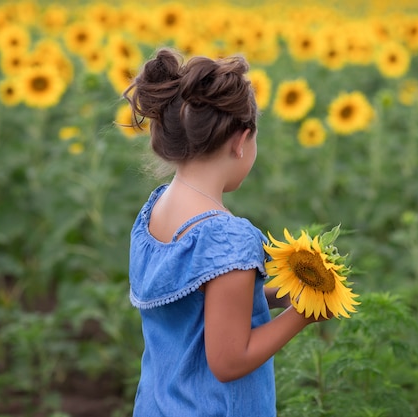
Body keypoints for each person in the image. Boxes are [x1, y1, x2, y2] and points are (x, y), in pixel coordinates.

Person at [124, 47, 326, 417]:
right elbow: (229, 360)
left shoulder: (154, 213)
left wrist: (275, 295)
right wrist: (304, 315)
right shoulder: (228, 239)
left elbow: (196, 301)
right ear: (240, 140)